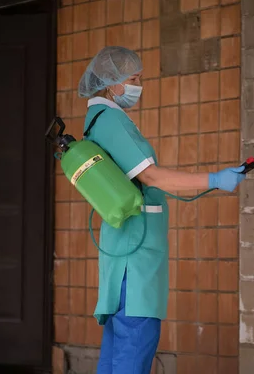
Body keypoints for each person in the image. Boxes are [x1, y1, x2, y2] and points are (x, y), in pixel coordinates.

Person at [77, 46, 245, 373]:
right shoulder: (110, 120)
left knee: (117, 351)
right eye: (134, 79)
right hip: (133, 257)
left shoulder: (98, 119)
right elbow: (150, 175)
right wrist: (214, 178)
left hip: (125, 248)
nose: (140, 86)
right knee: (134, 343)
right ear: (112, 83)